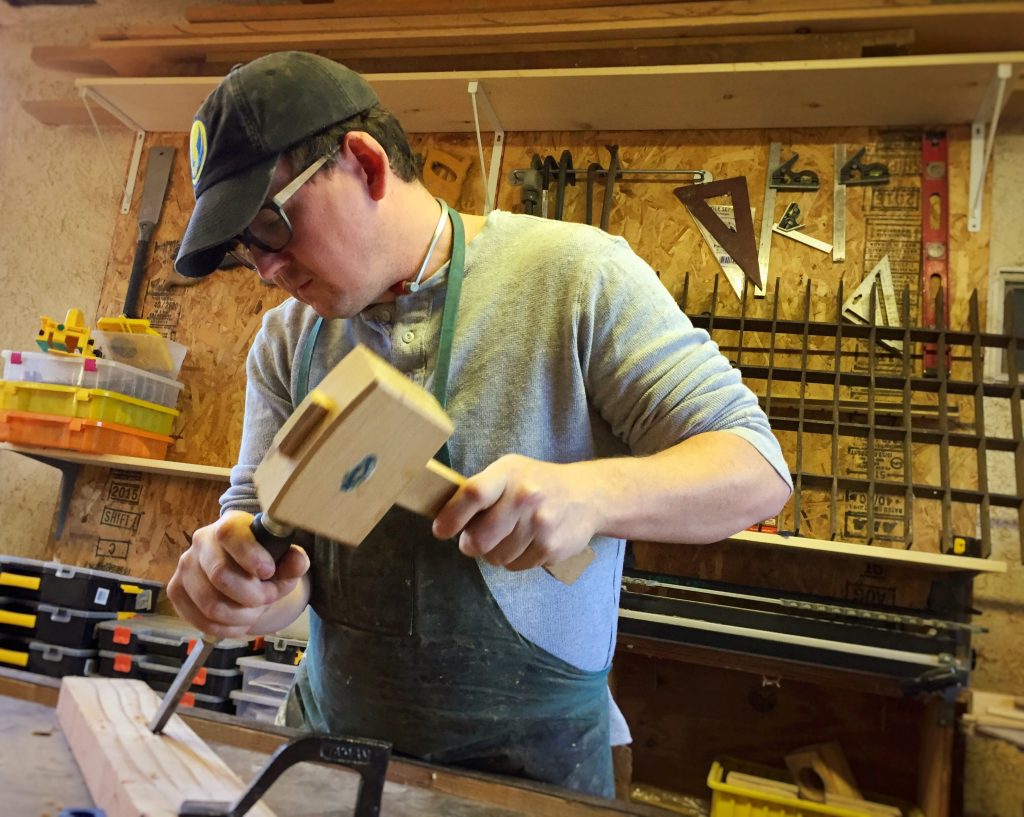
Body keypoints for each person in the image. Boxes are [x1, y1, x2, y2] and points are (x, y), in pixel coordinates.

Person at [168, 51, 792, 798]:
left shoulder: (574, 277)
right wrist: (246, 583)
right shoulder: (286, 341)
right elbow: (262, 520)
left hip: (532, 774)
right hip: (332, 755)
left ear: (364, 164)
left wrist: (591, 495)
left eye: (270, 225)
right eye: (246, 250)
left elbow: (756, 470)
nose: (268, 269)